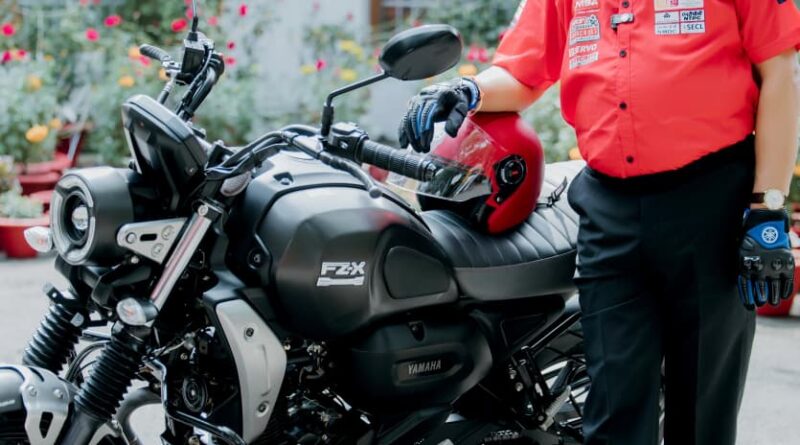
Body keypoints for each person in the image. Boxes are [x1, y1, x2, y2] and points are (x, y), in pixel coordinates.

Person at [398, 0, 800, 444]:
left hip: (711, 204)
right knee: (612, 413)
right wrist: (468, 90)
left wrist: (767, 208)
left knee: (703, 412)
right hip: (610, 209)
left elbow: (780, 71)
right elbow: (523, 72)